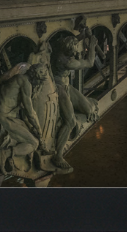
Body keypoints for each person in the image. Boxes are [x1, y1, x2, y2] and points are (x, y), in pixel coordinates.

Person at [51, 34, 100, 170]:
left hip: (67, 86)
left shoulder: (58, 46)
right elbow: (90, 63)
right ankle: (58, 155)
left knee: (90, 110)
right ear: (67, 52)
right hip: (58, 87)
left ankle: (87, 102)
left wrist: (83, 34)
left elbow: (70, 41)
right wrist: (91, 46)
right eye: (72, 52)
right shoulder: (66, 62)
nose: (74, 53)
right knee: (70, 121)